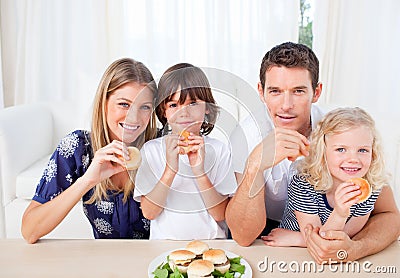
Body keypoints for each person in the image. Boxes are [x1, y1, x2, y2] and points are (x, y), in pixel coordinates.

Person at [225, 42, 400, 262]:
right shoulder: (246, 135)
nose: (286, 105)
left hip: (329, 227)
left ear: (316, 92)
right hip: (266, 233)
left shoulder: (338, 129)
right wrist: (254, 165)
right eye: (275, 91)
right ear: (261, 92)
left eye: (298, 91)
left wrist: (354, 249)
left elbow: (389, 214)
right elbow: (243, 236)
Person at [21, 58, 158, 243]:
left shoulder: (161, 145)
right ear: (104, 102)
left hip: (158, 261)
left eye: (144, 107)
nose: (133, 117)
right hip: (103, 262)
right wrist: (88, 180)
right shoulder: (78, 148)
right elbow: (30, 231)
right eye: (124, 104)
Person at [134, 63, 237, 240]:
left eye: (193, 103)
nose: (184, 113)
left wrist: (199, 172)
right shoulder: (151, 151)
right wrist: (170, 171)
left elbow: (221, 214)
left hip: (212, 247)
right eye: (174, 105)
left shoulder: (220, 150)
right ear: (163, 111)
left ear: (207, 108)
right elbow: (149, 213)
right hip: (164, 249)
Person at [263, 107, 386, 247]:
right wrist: (339, 213)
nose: (353, 159)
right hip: (291, 254)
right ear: (323, 152)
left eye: (363, 150)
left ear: (373, 153)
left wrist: (297, 239)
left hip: (303, 247)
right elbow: (319, 242)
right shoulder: (304, 183)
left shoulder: (369, 190)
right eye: (341, 149)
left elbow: (342, 239)